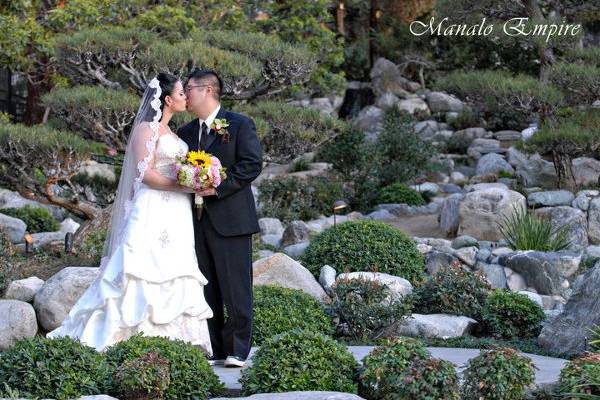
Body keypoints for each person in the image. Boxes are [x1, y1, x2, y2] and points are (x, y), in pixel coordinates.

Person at [47, 73, 213, 355]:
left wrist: (196, 180)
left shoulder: (174, 134)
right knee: (140, 268)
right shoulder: (146, 130)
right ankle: (122, 336)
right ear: (168, 100)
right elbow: (145, 174)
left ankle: (176, 345)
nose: (186, 98)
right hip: (153, 207)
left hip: (177, 213)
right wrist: (183, 185)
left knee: (176, 269)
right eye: (182, 94)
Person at [177, 69, 262, 367]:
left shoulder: (239, 124)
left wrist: (217, 187)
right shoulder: (186, 133)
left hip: (232, 219)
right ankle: (215, 347)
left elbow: (251, 165)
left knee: (236, 287)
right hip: (195, 221)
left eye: (189, 89)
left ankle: (238, 349)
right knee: (206, 286)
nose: (185, 95)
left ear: (208, 90)